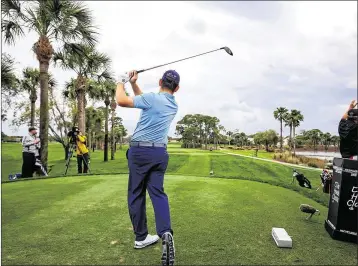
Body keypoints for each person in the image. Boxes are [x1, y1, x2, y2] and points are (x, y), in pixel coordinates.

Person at [116, 69, 179, 265]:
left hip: (140, 153)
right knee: (158, 193)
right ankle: (165, 232)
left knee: (136, 193)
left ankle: (141, 237)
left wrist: (120, 82)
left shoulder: (152, 98)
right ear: (177, 88)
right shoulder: (172, 104)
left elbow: (121, 101)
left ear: (160, 81)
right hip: (160, 153)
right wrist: (134, 83)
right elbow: (143, 99)